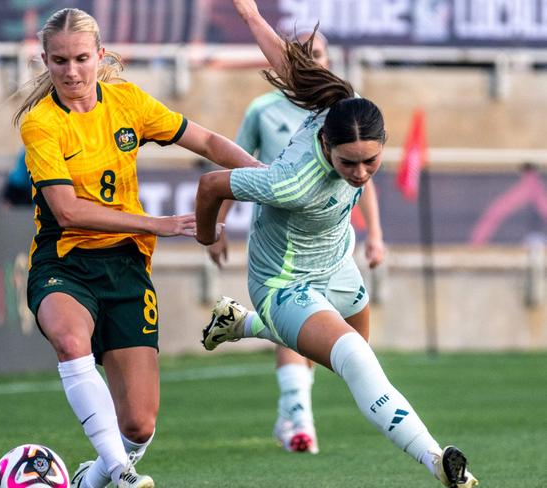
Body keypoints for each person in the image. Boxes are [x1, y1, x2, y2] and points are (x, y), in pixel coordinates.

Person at [195, 1, 478, 487]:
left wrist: (250, 17)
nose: (361, 173)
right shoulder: (290, 183)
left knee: (355, 359)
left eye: (371, 161)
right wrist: (208, 233)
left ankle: (240, 323)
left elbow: (291, 65)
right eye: (349, 164)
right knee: (355, 359)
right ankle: (440, 462)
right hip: (283, 283)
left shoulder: (344, 107)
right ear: (325, 145)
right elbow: (211, 185)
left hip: (339, 265)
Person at [14, 8, 261, 488]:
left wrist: (267, 177)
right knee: (69, 340)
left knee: (140, 424)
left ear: (99, 56)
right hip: (64, 260)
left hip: (126, 265)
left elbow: (206, 140)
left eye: (81, 59)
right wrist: (157, 223)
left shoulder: (126, 102)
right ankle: (124, 474)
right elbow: (67, 211)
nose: (71, 72)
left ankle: (94, 478)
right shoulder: (41, 124)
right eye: (59, 61)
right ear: (44, 60)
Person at [206, 29, 386, 454]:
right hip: (281, 241)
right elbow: (232, 165)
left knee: (347, 346)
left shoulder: (343, 112)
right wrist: (217, 228)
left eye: (320, 55)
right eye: (306, 57)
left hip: (329, 242)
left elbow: (363, 178)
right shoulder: (262, 111)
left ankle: (246, 328)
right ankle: (300, 421)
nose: (315, 63)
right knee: (298, 317)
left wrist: (375, 235)